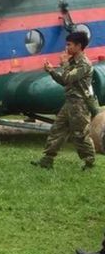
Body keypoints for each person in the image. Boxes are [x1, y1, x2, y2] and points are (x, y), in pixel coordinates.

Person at [32, 31, 97, 169]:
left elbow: (68, 78)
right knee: (57, 130)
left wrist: (65, 63)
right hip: (70, 103)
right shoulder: (73, 62)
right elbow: (64, 81)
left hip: (80, 104)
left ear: (79, 46)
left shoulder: (84, 64)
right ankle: (47, 160)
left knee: (80, 135)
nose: (67, 48)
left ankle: (89, 161)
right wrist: (51, 71)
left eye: (69, 45)